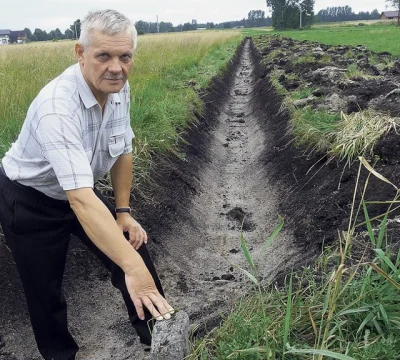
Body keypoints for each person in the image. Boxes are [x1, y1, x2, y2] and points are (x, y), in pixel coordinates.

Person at [0, 9, 174, 360]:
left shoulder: (118, 88)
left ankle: (160, 339)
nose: (116, 67)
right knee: (44, 289)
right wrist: (133, 270)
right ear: (80, 53)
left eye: (125, 57)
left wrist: (123, 212)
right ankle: (60, 355)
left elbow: (123, 148)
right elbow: (80, 200)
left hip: (79, 193)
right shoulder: (57, 107)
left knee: (134, 249)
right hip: (29, 199)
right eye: (103, 56)